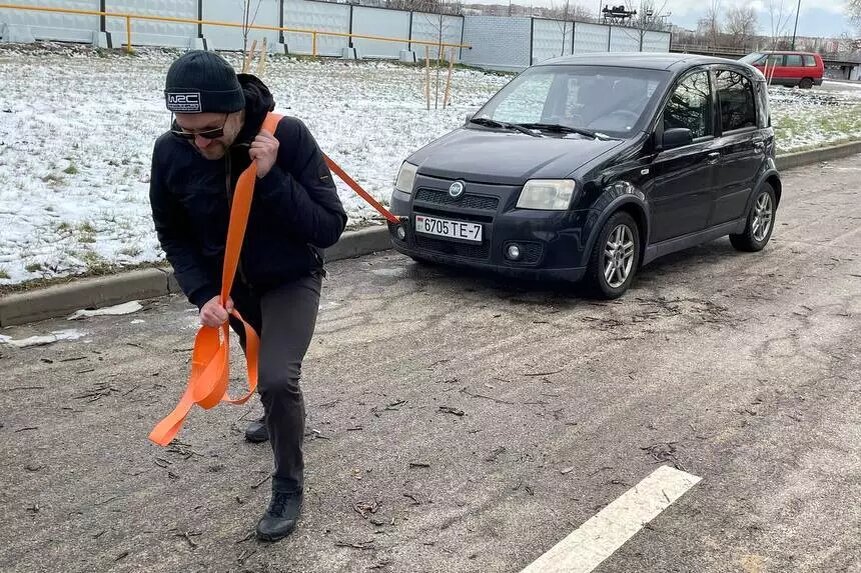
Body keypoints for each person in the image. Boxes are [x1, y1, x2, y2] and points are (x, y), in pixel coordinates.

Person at [149, 50, 347, 541]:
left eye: (211, 131)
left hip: (290, 278)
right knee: (257, 359)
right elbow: (173, 232)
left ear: (237, 112)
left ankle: (288, 484)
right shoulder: (170, 151)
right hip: (230, 291)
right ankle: (273, 414)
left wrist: (272, 178)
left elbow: (328, 228)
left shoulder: (286, 136)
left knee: (278, 379)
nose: (198, 143)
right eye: (185, 130)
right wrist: (202, 295)